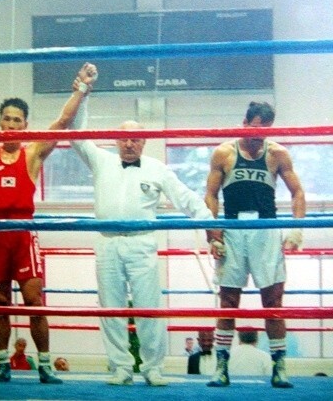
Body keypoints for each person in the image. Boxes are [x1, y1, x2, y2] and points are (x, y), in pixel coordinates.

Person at [0, 62, 98, 384]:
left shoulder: (33, 154)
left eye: (17, 120)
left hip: (24, 235)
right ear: (0, 122)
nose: (11, 125)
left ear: (25, 125)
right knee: (0, 304)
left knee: (34, 301)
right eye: (7, 119)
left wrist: (81, 87)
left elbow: (62, 122)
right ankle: (2, 365)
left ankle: (46, 365)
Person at [70, 92, 214, 387]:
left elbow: (185, 197)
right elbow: (77, 136)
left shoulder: (157, 168)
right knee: (111, 309)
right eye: (124, 138)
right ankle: (121, 367)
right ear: (115, 140)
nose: (129, 143)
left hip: (142, 242)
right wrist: (83, 95)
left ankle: (153, 368)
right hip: (108, 242)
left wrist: (211, 223)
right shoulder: (101, 160)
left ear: (144, 141)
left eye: (135, 138)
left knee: (149, 307)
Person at [204, 101, 306, 389]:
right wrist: (214, 234)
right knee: (228, 302)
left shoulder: (277, 154)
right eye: (256, 128)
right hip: (233, 230)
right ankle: (221, 366)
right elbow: (211, 195)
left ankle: (279, 367)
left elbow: (297, 192)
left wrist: (297, 231)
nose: (260, 135)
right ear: (245, 122)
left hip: (266, 230)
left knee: (273, 302)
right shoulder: (224, 153)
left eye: (266, 130)